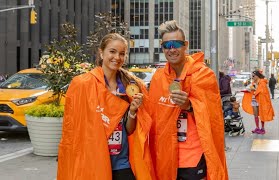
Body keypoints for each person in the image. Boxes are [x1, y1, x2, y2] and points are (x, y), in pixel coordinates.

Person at [57, 33, 154, 180]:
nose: (117, 57)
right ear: (101, 53)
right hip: (93, 161)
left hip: (123, 163)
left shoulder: (131, 85)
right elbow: (73, 130)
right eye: (112, 51)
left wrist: (133, 111)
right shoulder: (82, 84)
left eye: (122, 53)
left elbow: (129, 130)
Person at [148, 20, 228, 180]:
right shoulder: (158, 78)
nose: (171, 49)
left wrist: (189, 105)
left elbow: (214, 117)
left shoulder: (203, 75)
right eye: (166, 45)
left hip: (193, 157)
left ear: (185, 45)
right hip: (165, 156)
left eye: (176, 44)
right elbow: (152, 117)